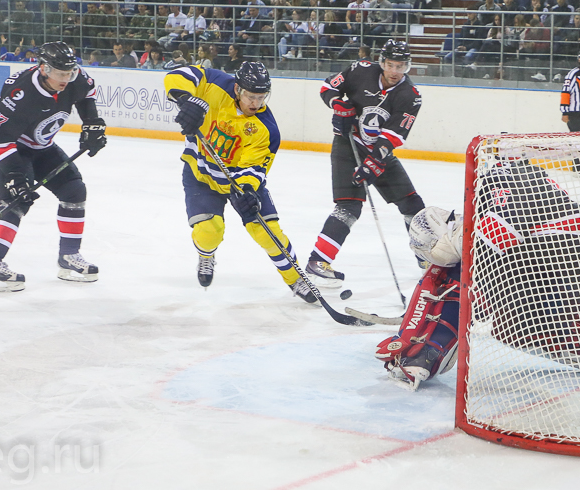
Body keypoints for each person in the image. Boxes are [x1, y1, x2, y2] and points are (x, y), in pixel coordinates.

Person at [377, 176, 580, 389]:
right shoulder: (497, 192)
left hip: (559, 257)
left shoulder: (489, 200)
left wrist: (440, 317)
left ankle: (425, 353)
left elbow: (485, 263)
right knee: (513, 328)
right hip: (578, 266)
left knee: (461, 276)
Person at [164, 61, 316, 304]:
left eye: (261, 97)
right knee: (209, 231)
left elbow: (255, 167)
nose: (255, 103)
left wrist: (247, 189)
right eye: (250, 96)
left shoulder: (266, 128)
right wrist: (185, 98)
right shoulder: (216, 84)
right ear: (237, 89)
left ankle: (294, 277)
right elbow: (180, 74)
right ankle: (206, 255)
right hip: (201, 175)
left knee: (268, 232)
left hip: (238, 183)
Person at [0, 42, 107, 292]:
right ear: (44, 68)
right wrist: (14, 176)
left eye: (69, 73)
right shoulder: (20, 93)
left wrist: (92, 123)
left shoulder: (75, 77)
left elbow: (86, 95)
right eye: (60, 73)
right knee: (16, 201)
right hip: (10, 149)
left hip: (42, 147)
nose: (66, 79)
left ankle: (68, 256)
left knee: (74, 190)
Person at [307, 40, 425, 286]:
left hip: (380, 152)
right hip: (347, 147)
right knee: (349, 207)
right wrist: (338, 105)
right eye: (391, 64)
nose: (395, 71)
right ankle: (318, 261)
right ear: (381, 62)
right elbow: (328, 86)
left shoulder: (410, 96)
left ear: (408, 66)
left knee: (412, 203)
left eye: (401, 66)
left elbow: (392, 137)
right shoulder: (360, 70)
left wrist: (373, 163)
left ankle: (426, 258)